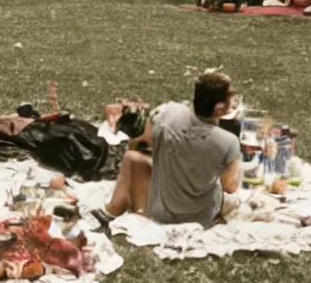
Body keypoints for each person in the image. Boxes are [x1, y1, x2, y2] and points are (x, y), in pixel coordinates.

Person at [92, 71, 242, 229]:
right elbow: (230, 187)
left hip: (160, 212)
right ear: (220, 109)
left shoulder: (167, 113)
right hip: (200, 218)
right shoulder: (227, 141)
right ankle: (119, 209)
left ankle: (115, 210)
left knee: (132, 158)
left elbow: (141, 140)